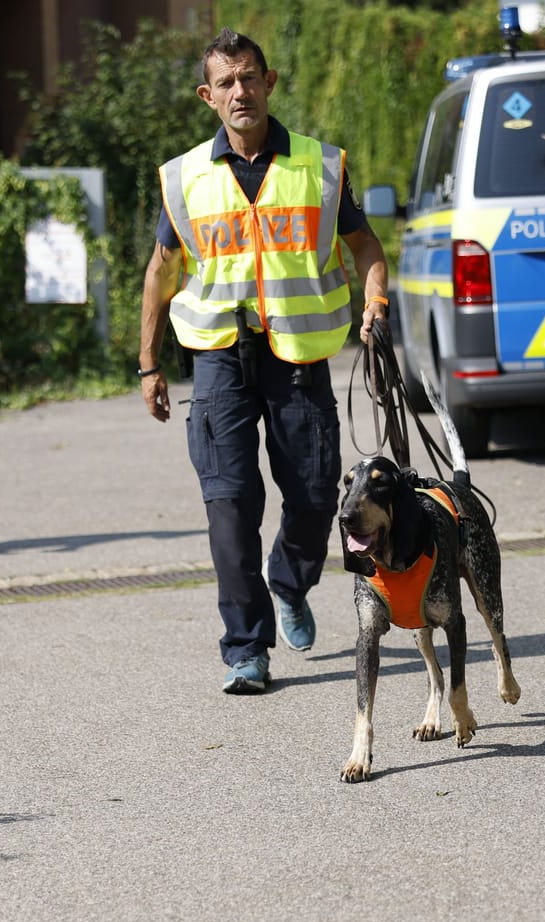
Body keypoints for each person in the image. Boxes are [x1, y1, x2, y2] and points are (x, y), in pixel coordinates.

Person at [140, 29, 389, 694]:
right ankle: (245, 648)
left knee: (314, 499)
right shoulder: (185, 176)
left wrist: (375, 297)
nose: (239, 92)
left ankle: (290, 581)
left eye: (249, 77)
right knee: (230, 505)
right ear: (207, 96)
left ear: (269, 82)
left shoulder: (319, 166)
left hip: (299, 356)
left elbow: (366, 247)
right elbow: (162, 271)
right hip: (219, 353)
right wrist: (148, 364)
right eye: (225, 82)